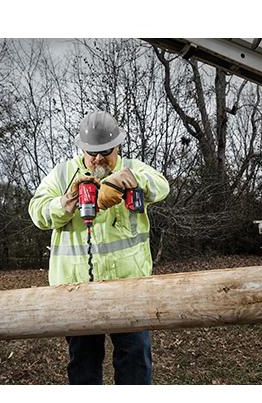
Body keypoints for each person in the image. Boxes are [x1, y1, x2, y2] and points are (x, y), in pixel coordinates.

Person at [28, 111, 170, 384]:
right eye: (91, 153)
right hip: (76, 291)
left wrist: (129, 181)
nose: (98, 159)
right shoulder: (63, 174)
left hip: (129, 288)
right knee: (83, 366)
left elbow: (162, 186)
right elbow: (37, 212)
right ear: (82, 149)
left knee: (135, 361)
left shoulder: (132, 167)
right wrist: (67, 202)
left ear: (118, 146)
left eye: (106, 152)